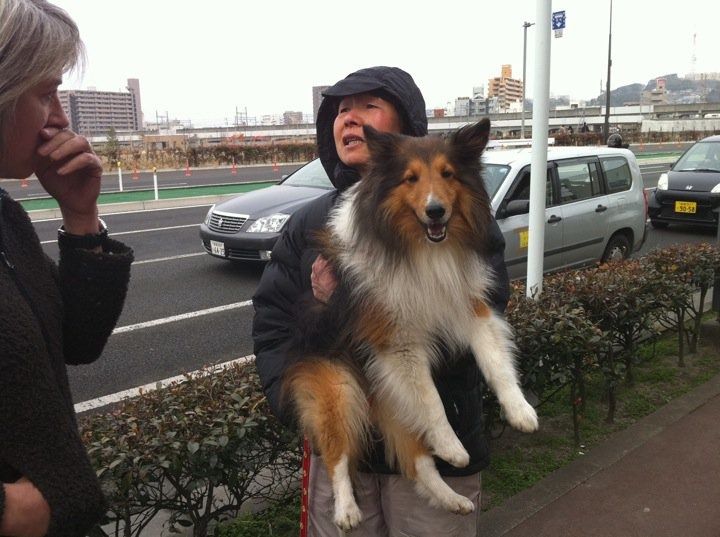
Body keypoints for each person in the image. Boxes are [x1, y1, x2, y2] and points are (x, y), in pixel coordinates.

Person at [252, 66, 510, 537]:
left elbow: (486, 313)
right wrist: (297, 404)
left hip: (437, 444)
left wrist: (394, 328)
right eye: (340, 110)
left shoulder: (454, 213)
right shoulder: (309, 221)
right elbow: (272, 323)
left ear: (405, 126)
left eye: (368, 107)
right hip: (347, 454)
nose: (350, 120)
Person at [0, 1, 134, 535]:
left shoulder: (6, 218)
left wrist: (81, 217)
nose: (59, 116)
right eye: (44, 92)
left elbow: (76, 342)